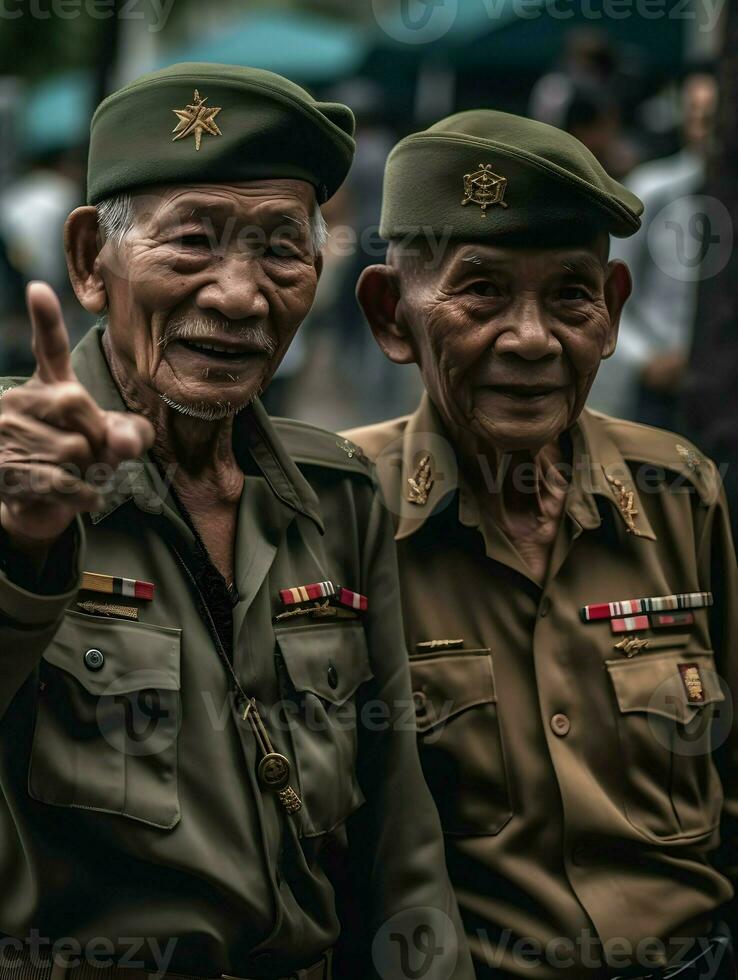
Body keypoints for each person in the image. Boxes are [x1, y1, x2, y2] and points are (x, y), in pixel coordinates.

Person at [0, 64, 472, 980]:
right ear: (92, 261)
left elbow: (398, 841)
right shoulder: (17, 464)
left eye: (281, 251)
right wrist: (24, 541)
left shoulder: (336, 499)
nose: (240, 296)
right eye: (193, 243)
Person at [345, 110, 738, 979]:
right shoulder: (339, 511)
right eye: (481, 291)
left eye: (569, 294)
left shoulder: (679, 488)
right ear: (392, 315)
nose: (531, 340)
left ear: (612, 313)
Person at [589, 72, 719, 425]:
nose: (705, 126)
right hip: (663, 384)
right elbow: (606, 285)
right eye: (697, 114)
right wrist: (644, 359)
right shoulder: (652, 191)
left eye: (715, 114)